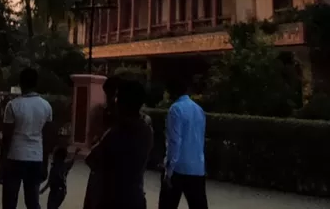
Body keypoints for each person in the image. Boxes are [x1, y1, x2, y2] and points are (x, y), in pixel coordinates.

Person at [85, 80, 152, 209]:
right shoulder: (146, 129)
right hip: (135, 196)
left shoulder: (117, 132)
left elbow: (91, 159)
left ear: (121, 102)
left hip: (112, 198)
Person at [0, 67, 54, 209]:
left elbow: (6, 138)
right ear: (36, 83)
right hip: (36, 158)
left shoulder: (13, 105)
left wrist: (1, 165)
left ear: (20, 83)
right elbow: (47, 139)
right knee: (32, 201)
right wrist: (45, 164)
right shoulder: (46, 106)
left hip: (15, 157)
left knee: (9, 202)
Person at [159, 76, 208, 209]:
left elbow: (174, 141)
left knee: (167, 204)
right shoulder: (199, 110)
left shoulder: (175, 109)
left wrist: (168, 171)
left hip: (178, 168)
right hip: (197, 167)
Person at [41, 145, 76, 209]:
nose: (53, 156)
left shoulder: (54, 168)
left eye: (54, 155)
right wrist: (75, 154)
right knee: (54, 206)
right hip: (63, 192)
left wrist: (43, 190)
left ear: (57, 156)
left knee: (51, 207)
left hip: (55, 192)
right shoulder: (65, 165)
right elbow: (72, 162)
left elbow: (50, 182)